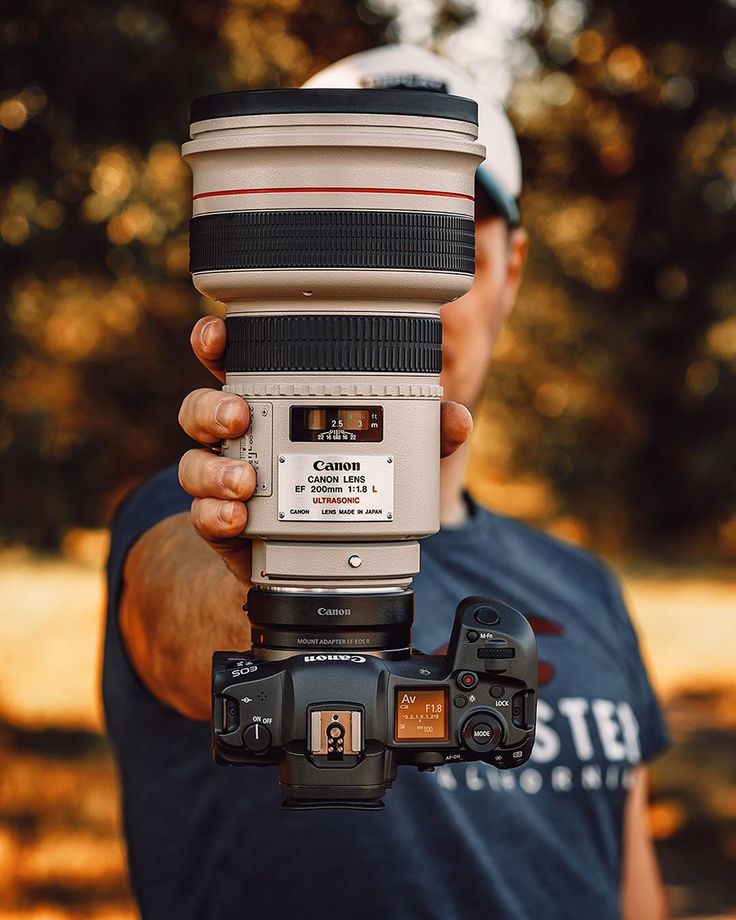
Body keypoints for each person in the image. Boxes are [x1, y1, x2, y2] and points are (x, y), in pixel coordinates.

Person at [104, 45, 669, 920]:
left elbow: (634, 894)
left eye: (447, 218)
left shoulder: (586, 588)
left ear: (510, 265)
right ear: (283, 219)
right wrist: (273, 566)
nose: (397, 248)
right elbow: (176, 618)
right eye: (362, 208)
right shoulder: (186, 518)